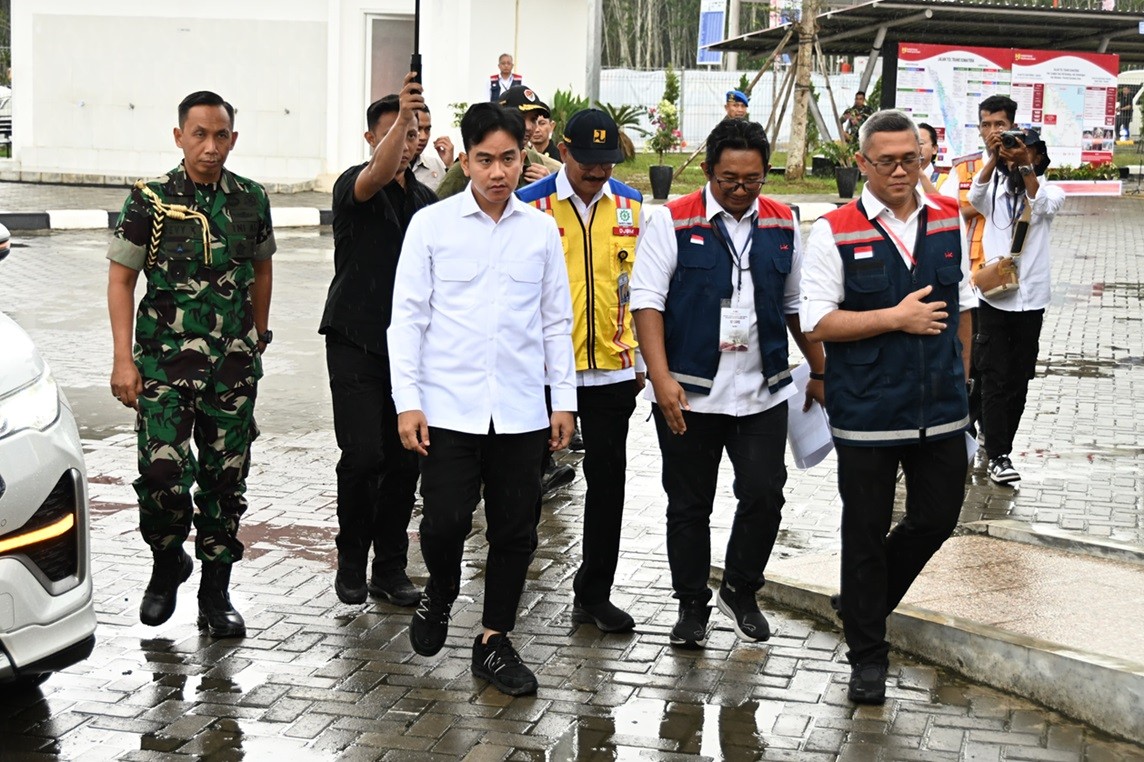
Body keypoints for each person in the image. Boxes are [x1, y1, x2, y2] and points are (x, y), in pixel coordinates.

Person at [388, 102, 576, 696]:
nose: (498, 172)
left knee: (516, 532)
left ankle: (493, 641)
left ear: (526, 159)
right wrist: (407, 402)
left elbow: (554, 323)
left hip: (521, 411)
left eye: (510, 158)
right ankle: (440, 591)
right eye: (486, 159)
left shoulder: (541, 230)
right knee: (443, 524)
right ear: (465, 160)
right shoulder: (433, 226)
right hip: (447, 409)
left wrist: (563, 401)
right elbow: (407, 321)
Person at [800, 109, 975, 705]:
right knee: (865, 532)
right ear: (862, 163)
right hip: (869, 413)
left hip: (942, 411)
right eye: (888, 161)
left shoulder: (950, 218)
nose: (902, 170)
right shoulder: (834, 231)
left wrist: (963, 380)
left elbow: (965, 308)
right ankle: (867, 656)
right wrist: (895, 318)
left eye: (912, 158)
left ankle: (859, 604)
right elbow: (818, 320)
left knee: (936, 518)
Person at [631, 118, 825, 650]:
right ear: (709, 171)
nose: (740, 189)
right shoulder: (672, 220)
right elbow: (646, 302)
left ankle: (740, 586)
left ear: (766, 173)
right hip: (688, 393)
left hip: (762, 389)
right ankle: (691, 603)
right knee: (689, 504)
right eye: (728, 179)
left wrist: (822, 369)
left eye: (753, 179)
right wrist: (660, 378)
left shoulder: (783, 222)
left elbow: (795, 306)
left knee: (765, 493)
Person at [107, 90, 275, 638]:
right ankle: (167, 561)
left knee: (225, 480)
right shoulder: (150, 200)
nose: (210, 146)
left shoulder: (251, 199)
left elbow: (262, 268)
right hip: (162, 367)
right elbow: (121, 280)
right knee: (161, 476)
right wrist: (122, 359)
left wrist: (258, 334)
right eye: (199, 134)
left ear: (233, 138)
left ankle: (215, 592)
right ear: (179, 136)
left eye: (220, 135)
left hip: (231, 370)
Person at [517, 109, 645, 633]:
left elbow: (642, 287)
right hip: (546, 374)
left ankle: (594, 592)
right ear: (563, 151)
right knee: (523, 486)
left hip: (613, 370)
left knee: (608, 483)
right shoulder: (530, 205)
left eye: (607, 162)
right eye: (588, 161)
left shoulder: (632, 205)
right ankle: (509, 588)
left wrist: (640, 359)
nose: (598, 173)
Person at [321, 75, 437, 607]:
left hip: (412, 352)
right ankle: (351, 559)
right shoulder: (354, 185)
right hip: (356, 341)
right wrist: (403, 118)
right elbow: (376, 175)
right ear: (372, 139)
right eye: (395, 133)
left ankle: (389, 568)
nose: (408, 141)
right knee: (364, 455)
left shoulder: (427, 203)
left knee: (404, 461)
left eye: (413, 134)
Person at [967, 96, 1065, 486]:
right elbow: (974, 196)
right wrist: (994, 158)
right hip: (993, 299)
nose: (1019, 159)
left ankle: (995, 438)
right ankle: (1000, 454)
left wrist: (1024, 164)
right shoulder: (994, 193)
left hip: (1031, 300)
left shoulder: (1051, 191)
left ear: (1040, 159)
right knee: (992, 374)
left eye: (1029, 155)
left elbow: (1042, 205)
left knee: (1018, 377)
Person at [436, 86, 561, 200]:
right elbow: (436, 209)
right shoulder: (463, 169)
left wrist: (547, 186)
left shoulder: (536, 161)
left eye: (533, 119)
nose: (528, 127)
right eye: (521, 118)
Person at [412, 103, 454, 192]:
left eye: (427, 129)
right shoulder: (383, 168)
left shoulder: (436, 166)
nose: (423, 137)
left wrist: (450, 165)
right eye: (417, 128)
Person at [917, 122, 947, 193]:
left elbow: (941, 203)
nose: (915, 147)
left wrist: (921, 175)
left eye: (921, 143)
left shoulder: (944, 179)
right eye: (912, 143)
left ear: (934, 149)